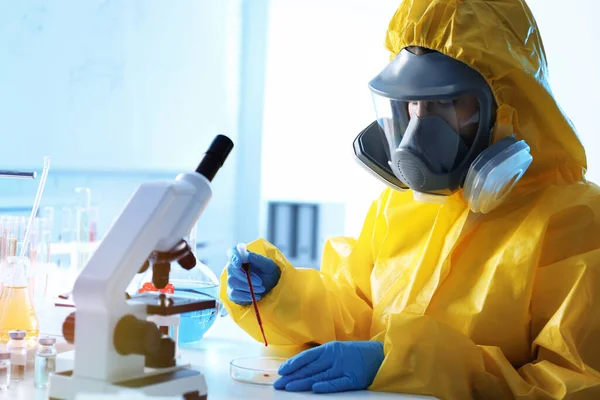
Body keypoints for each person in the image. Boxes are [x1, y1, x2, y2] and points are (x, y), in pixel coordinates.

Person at [219, 0, 600, 398]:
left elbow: (576, 382)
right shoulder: (399, 207)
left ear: (506, 106)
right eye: (411, 102)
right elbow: (359, 313)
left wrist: (403, 361)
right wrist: (282, 295)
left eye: (444, 103)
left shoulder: (576, 222)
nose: (418, 124)